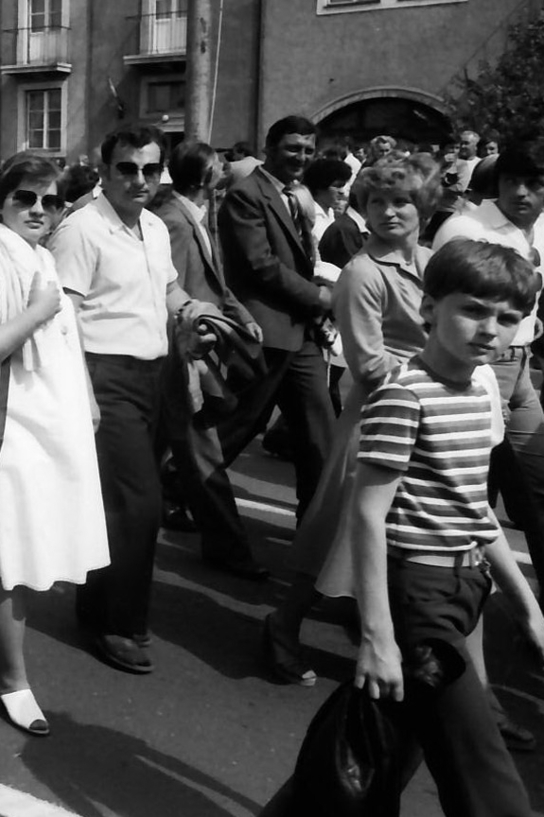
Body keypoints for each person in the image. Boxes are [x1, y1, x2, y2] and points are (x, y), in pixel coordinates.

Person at [346, 239, 544, 815]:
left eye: (508, 319)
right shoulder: (404, 394)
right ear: (429, 308)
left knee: (381, 745)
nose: (490, 329)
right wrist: (377, 636)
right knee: (482, 766)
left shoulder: (480, 395)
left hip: (465, 587)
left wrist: (526, 605)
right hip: (420, 597)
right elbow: (367, 513)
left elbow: (473, 510)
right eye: (474, 310)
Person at [0, 153, 108, 736]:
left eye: (51, 200)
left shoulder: (39, 255)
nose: (38, 209)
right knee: (15, 560)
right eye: (25, 198)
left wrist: (85, 399)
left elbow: (65, 340)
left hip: (48, 421)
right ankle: (13, 680)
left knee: (23, 548)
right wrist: (35, 311)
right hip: (3, 429)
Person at [50, 125, 217, 675]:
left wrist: (201, 314)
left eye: (150, 169)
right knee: (138, 504)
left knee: (120, 505)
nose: (139, 180)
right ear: (105, 171)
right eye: (127, 168)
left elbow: (168, 291)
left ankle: (99, 607)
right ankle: (114, 623)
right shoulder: (81, 229)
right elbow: (63, 315)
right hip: (104, 377)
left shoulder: (152, 225)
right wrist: (81, 392)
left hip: (153, 373)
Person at [264, 160, 436, 686]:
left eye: (400, 202)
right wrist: (441, 366)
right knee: (337, 530)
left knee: (397, 531)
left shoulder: (432, 262)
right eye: (377, 202)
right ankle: (282, 625)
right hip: (377, 417)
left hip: (422, 414)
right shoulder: (365, 273)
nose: (388, 212)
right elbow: (367, 364)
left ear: (422, 209)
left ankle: (387, 632)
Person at [150, 142, 267, 578]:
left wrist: (240, 312)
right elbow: (169, 290)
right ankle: (229, 548)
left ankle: (135, 513)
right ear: (204, 175)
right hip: (182, 355)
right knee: (204, 454)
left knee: (151, 450)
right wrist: (189, 352)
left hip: (191, 349)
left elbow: (213, 279)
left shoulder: (195, 215)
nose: (225, 169)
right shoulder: (175, 222)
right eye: (218, 165)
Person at [432, 140, 544, 583]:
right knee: (467, 488)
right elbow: (439, 308)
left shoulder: (541, 229)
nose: (521, 193)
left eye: (534, 184)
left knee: (534, 483)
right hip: (475, 369)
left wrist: (531, 324)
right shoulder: (465, 228)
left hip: (520, 371)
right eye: (511, 182)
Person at [215, 115, 336, 522]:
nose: (301, 157)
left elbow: (299, 259)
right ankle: (180, 485)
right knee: (239, 425)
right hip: (265, 331)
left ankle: (315, 524)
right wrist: (318, 296)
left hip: (301, 334)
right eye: (292, 149)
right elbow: (260, 265)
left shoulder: (298, 196)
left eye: (307, 150)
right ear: (269, 148)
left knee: (320, 433)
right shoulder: (246, 195)